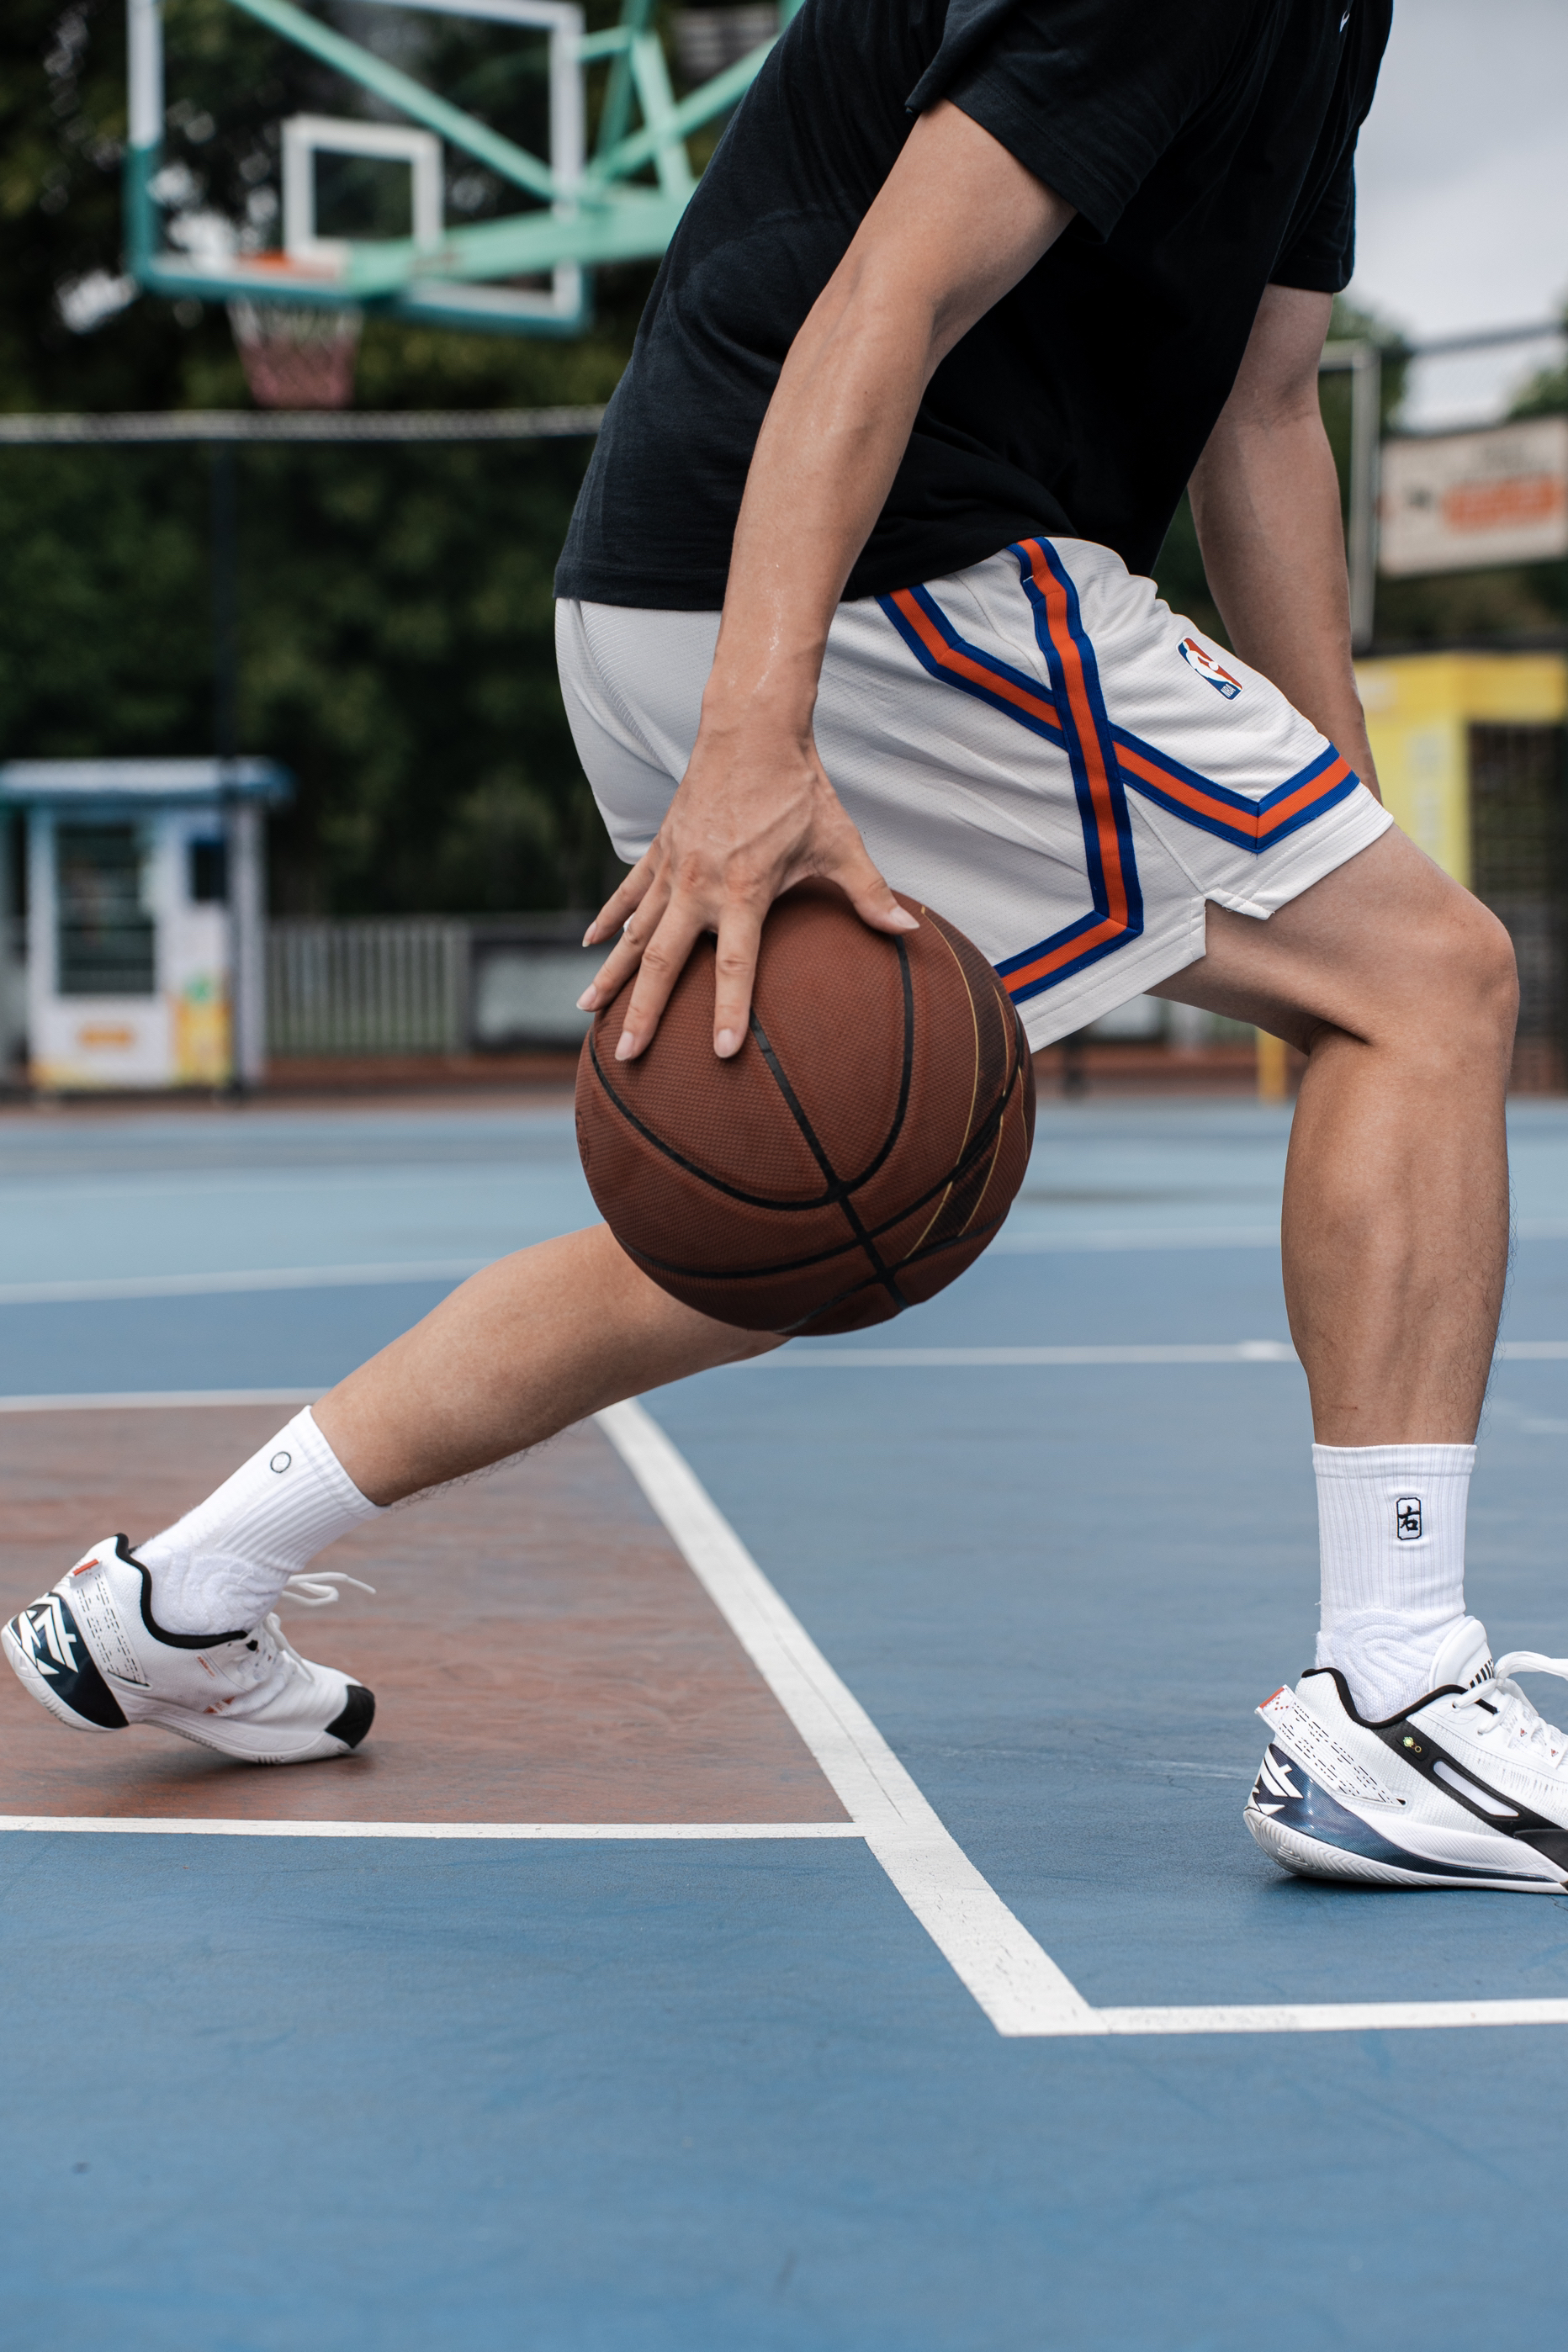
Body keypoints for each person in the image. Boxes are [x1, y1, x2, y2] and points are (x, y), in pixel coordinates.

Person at [8, 0, 1560, 1888]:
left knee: (792, 1214)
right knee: (1435, 984)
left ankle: (181, 1594)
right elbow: (882, 294)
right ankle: (1392, 1695)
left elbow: (1264, 398)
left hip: (710, 576)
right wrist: (758, 735)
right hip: (866, 575)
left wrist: (1338, 821)